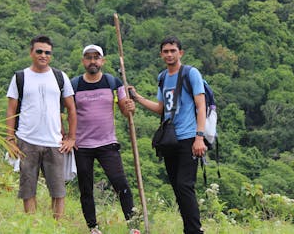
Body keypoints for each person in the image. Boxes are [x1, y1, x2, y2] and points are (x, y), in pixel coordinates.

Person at [129, 36, 207, 234]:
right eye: (166, 51)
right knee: (176, 186)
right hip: (170, 139)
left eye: (173, 50)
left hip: (189, 137)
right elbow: (162, 108)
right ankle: (189, 228)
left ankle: (195, 230)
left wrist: (199, 137)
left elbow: (201, 105)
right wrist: (137, 98)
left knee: (184, 185)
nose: (169, 54)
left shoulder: (191, 73)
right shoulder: (163, 77)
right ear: (161, 54)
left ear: (180, 53)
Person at [5, 35, 77, 219]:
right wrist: (10, 139)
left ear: (51, 55)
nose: (43, 55)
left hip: (54, 141)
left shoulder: (60, 77)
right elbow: (11, 109)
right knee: (28, 189)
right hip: (26, 140)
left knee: (58, 190)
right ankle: (32, 226)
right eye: (39, 51)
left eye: (47, 52)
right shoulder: (20, 77)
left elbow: (71, 108)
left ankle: (57, 227)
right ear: (31, 53)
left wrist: (71, 138)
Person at [72, 44, 139, 234]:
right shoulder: (74, 85)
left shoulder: (113, 82)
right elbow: (65, 112)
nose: (92, 61)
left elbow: (126, 112)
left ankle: (133, 226)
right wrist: (67, 136)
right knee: (86, 189)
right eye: (88, 57)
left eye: (96, 57)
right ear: (83, 61)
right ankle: (93, 227)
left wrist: (130, 107)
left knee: (121, 184)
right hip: (82, 146)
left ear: (103, 61)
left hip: (108, 144)